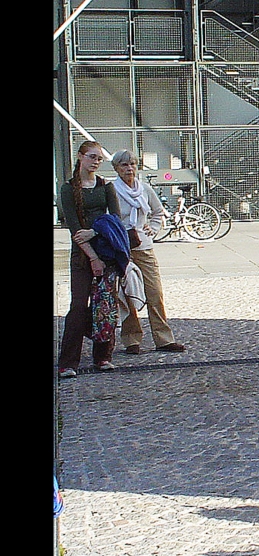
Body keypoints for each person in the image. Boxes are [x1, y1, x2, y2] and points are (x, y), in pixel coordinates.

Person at [57, 140, 123, 378]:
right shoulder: (67, 189)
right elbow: (74, 228)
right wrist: (92, 257)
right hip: (82, 256)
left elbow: (115, 220)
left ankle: (103, 356)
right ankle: (68, 362)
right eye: (92, 157)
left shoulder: (105, 187)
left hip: (106, 252)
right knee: (78, 307)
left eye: (99, 159)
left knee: (104, 306)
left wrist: (95, 232)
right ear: (80, 157)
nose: (96, 162)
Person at [110, 150, 186, 355]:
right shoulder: (112, 190)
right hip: (122, 248)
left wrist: (153, 227)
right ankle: (131, 339)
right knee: (127, 294)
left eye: (133, 164)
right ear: (116, 168)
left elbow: (157, 211)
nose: (129, 169)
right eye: (124, 165)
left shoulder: (144, 189)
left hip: (143, 247)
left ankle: (163, 339)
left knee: (154, 293)